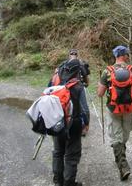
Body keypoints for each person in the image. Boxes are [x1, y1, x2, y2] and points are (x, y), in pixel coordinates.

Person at [97, 45, 132, 181]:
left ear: (115, 56)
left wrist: (102, 84)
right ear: (124, 56)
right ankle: (123, 165)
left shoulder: (107, 71)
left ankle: (120, 156)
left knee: (116, 135)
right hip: (129, 108)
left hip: (113, 108)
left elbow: (100, 93)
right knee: (124, 134)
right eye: (127, 54)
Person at [51, 58, 86, 186]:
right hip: (73, 124)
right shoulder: (77, 85)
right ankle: (69, 183)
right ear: (78, 70)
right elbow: (85, 109)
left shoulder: (55, 79)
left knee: (58, 152)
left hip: (56, 121)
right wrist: (86, 123)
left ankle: (58, 181)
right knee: (72, 155)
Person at [68, 49, 91, 136]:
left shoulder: (65, 64)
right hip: (79, 87)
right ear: (77, 55)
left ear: (69, 55)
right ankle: (84, 127)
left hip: (68, 88)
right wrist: (86, 84)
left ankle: (74, 126)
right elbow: (86, 77)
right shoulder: (81, 64)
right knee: (83, 107)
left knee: (71, 106)